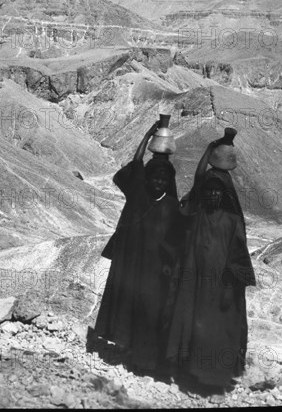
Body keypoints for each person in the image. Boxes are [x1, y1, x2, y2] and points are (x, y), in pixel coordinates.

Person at [94, 121, 187, 375]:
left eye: (163, 178)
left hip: (154, 270)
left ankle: (143, 357)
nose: (158, 181)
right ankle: (125, 350)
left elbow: (177, 239)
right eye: (155, 176)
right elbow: (136, 166)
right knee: (126, 304)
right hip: (130, 262)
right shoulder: (138, 193)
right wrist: (147, 136)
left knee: (149, 310)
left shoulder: (170, 205)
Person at [164, 139, 256, 392]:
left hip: (219, 287)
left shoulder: (231, 220)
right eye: (209, 191)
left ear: (224, 195)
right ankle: (191, 374)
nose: (213, 194)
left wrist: (231, 287)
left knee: (216, 331)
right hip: (194, 284)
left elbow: (238, 256)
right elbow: (198, 178)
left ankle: (214, 381)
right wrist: (209, 149)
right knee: (194, 326)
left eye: (218, 191)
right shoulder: (196, 215)